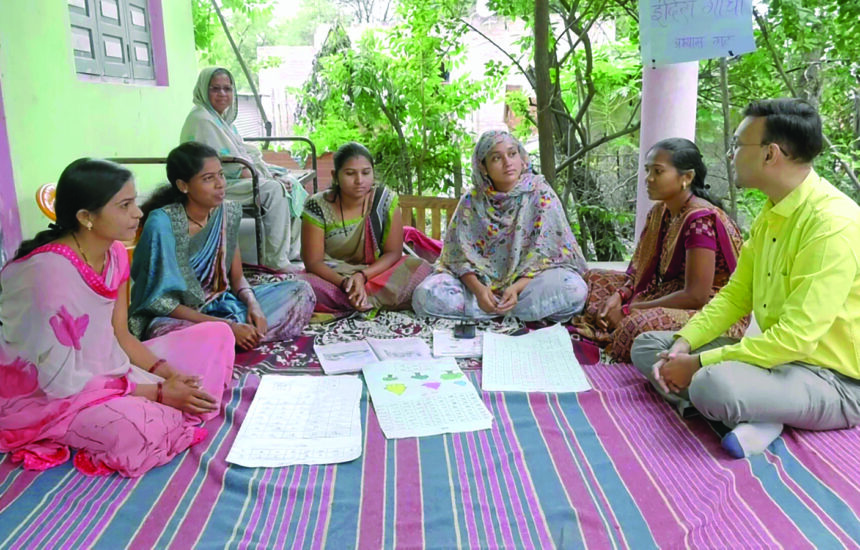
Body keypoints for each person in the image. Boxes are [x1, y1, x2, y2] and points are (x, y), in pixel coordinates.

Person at [631, 98, 860, 459]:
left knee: (710, 382)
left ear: (770, 154)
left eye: (738, 145)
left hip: (831, 380)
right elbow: (735, 296)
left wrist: (700, 364)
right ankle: (758, 412)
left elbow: (796, 340)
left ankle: (748, 410)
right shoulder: (772, 213)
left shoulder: (832, 225)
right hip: (774, 362)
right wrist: (685, 344)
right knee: (649, 346)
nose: (729, 154)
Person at [0, 158, 234, 477]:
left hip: (110, 370)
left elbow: (121, 336)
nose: (137, 213)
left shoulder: (113, 254)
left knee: (218, 335)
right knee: (141, 431)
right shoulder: (49, 276)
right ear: (86, 218)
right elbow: (59, 379)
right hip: (53, 395)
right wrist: (159, 392)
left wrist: (169, 375)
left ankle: (157, 401)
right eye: (125, 205)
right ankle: (146, 408)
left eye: (134, 201)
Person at [571, 138, 748, 362]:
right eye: (647, 171)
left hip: (712, 309)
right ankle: (613, 322)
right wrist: (619, 297)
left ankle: (618, 332)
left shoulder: (700, 221)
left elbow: (696, 295)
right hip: (666, 291)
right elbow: (638, 270)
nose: (649, 179)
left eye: (658, 171)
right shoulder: (660, 212)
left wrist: (630, 310)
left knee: (634, 325)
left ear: (687, 177)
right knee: (594, 278)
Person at [129, 142, 315, 350]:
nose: (220, 184)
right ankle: (232, 337)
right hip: (178, 316)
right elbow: (159, 301)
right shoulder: (162, 224)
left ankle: (231, 339)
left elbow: (237, 279)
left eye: (221, 175)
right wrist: (228, 326)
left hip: (223, 305)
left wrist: (255, 307)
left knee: (300, 291)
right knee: (161, 332)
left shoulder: (227, 213)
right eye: (208, 178)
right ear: (183, 186)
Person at [412, 130, 588, 321]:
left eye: (512, 154)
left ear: (522, 158)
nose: (507, 162)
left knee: (574, 289)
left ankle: (498, 312)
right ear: (484, 167)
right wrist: (479, 291)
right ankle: (507, 312)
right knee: (425, 295)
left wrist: (516, 287)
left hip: (527, 287)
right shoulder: (472, 201)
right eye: (497, 158)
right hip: (479, 287)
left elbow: (550, 255)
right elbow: (457, 257)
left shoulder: (541, 195)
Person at [180, 67, 307, 270]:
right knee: (274, 190)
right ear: (204, 89)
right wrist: (267, 178)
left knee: (290, 181)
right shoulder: (201, 119)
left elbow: (241, 156)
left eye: (227, 89)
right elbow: (232, 165)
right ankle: (275, 261)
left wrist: (270, 173)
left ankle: (291, 253)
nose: (222, 94)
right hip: (214, 184)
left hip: (232, 176)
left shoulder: (221, 120)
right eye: (215, 89)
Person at [300, 142, 432, 314]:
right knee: (304, 286)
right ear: (335, 176)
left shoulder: (384, 201)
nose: (359, 181)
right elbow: (313, 262)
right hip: (333, 276)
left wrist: (362, 276)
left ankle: (356, 300)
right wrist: (345, 283)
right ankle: (370, 300)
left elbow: (393, 253)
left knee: (419, 267)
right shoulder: (317, 206)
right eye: (350, 173)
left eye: (365, 172)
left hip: (373, 273)